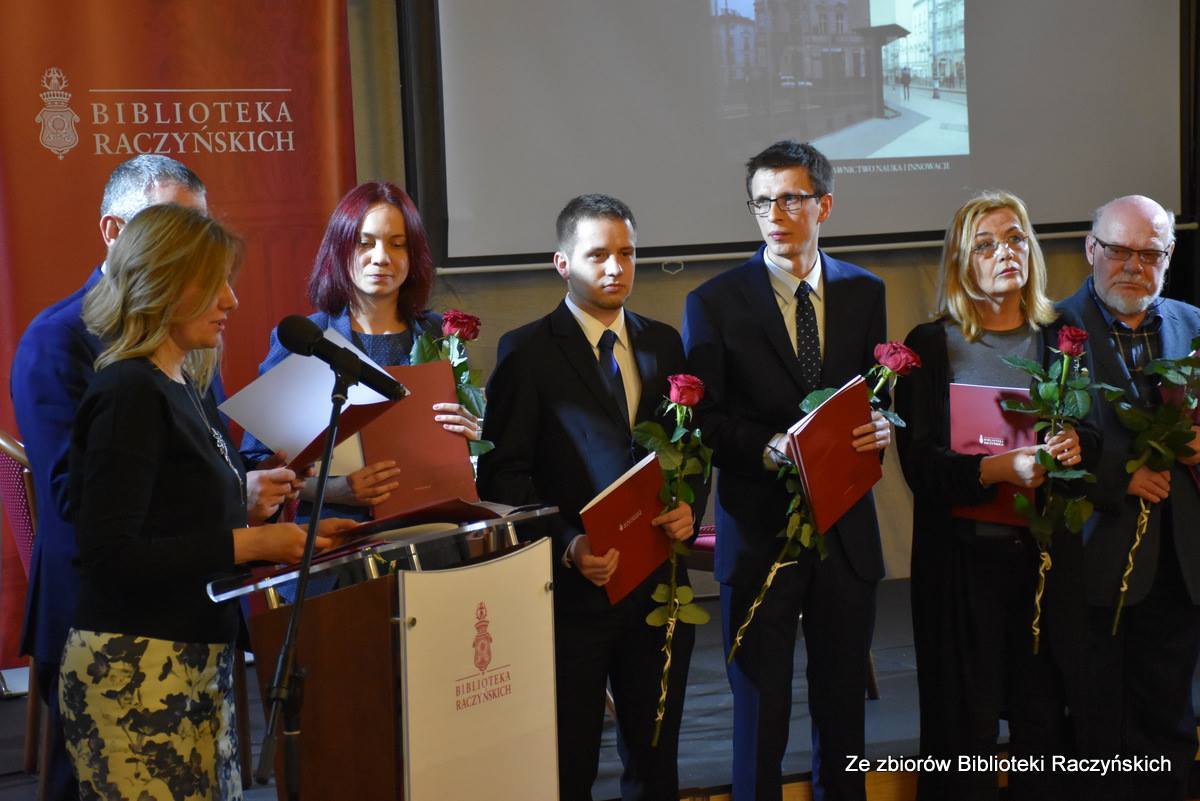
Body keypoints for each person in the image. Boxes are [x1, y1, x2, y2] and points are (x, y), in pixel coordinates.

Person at [9, 154, 298, 801]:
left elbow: (192, 467)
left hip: (190, 627)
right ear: (125, 237)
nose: (229, 295)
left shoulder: (186, 348)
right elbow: (81, 515)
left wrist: (241, 496)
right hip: (117, 634)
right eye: (178, 233)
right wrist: (241, 539)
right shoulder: (65, 343)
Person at [59, 203, 354, 799]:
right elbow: (110, 555)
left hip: (193, 656)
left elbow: (171, 517)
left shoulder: (180, 384)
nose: (231, 300)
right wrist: (253, 541)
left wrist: (260, 516)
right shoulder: (128, 392)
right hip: (134, 668)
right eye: (213, 282)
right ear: (161, 282)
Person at [682, 140, 891, 801]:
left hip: (845, 530)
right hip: (760, 531)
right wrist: (772, 446)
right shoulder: (714, 301)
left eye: (790, 198)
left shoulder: (865, 291)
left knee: (843, 708)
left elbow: (872, 397)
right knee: (761, 709)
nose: (776, 213)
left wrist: (885, 425)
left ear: (824, 204)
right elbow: (705, 420)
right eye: (763, 201)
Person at [477, 194, 701, 801]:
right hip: (573, 595)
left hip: (657, 586)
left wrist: (689, 507)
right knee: (569, 761)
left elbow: (689, 456)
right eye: (598, 254)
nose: (615, 268)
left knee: (656, 761)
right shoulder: (526, 352)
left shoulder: (664, 345)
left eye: (627, 253)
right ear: (562, 263)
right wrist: (568, 545)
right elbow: (502, 477)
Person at [894, 191, 1093, 801]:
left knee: (1043, 725)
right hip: (960, 567)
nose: (1004, 252)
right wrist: (997, 468)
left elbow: (1089, 430)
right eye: (985, 244)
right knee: (962, 736)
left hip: (1043, 563)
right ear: (960, 263)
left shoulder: (1062, 337)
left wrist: (1075, 447)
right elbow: (920, 466)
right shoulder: (929, 343)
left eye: (1014, 239)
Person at [1056, 195, 1200, 801]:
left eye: (1150, 254)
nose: (1133, 266)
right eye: (1118, 250)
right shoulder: (1052, 329)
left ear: (1168, 257)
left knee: (1170, 719)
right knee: (1093, 728)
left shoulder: (1194, 326)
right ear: (1092, 249)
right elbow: (1042, 443)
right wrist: (1117, 476)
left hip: (1177, 558)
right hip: (1091, 555)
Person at [243, 181, 480, 525]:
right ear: (339, 249)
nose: (381, 258)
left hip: (430, 530)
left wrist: (471, 435)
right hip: (334, 535)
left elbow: (467, 443)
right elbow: (258, 460)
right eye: (365, 243)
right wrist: (336, 489)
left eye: (397, 245)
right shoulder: (308, 337)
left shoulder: (437, 333)